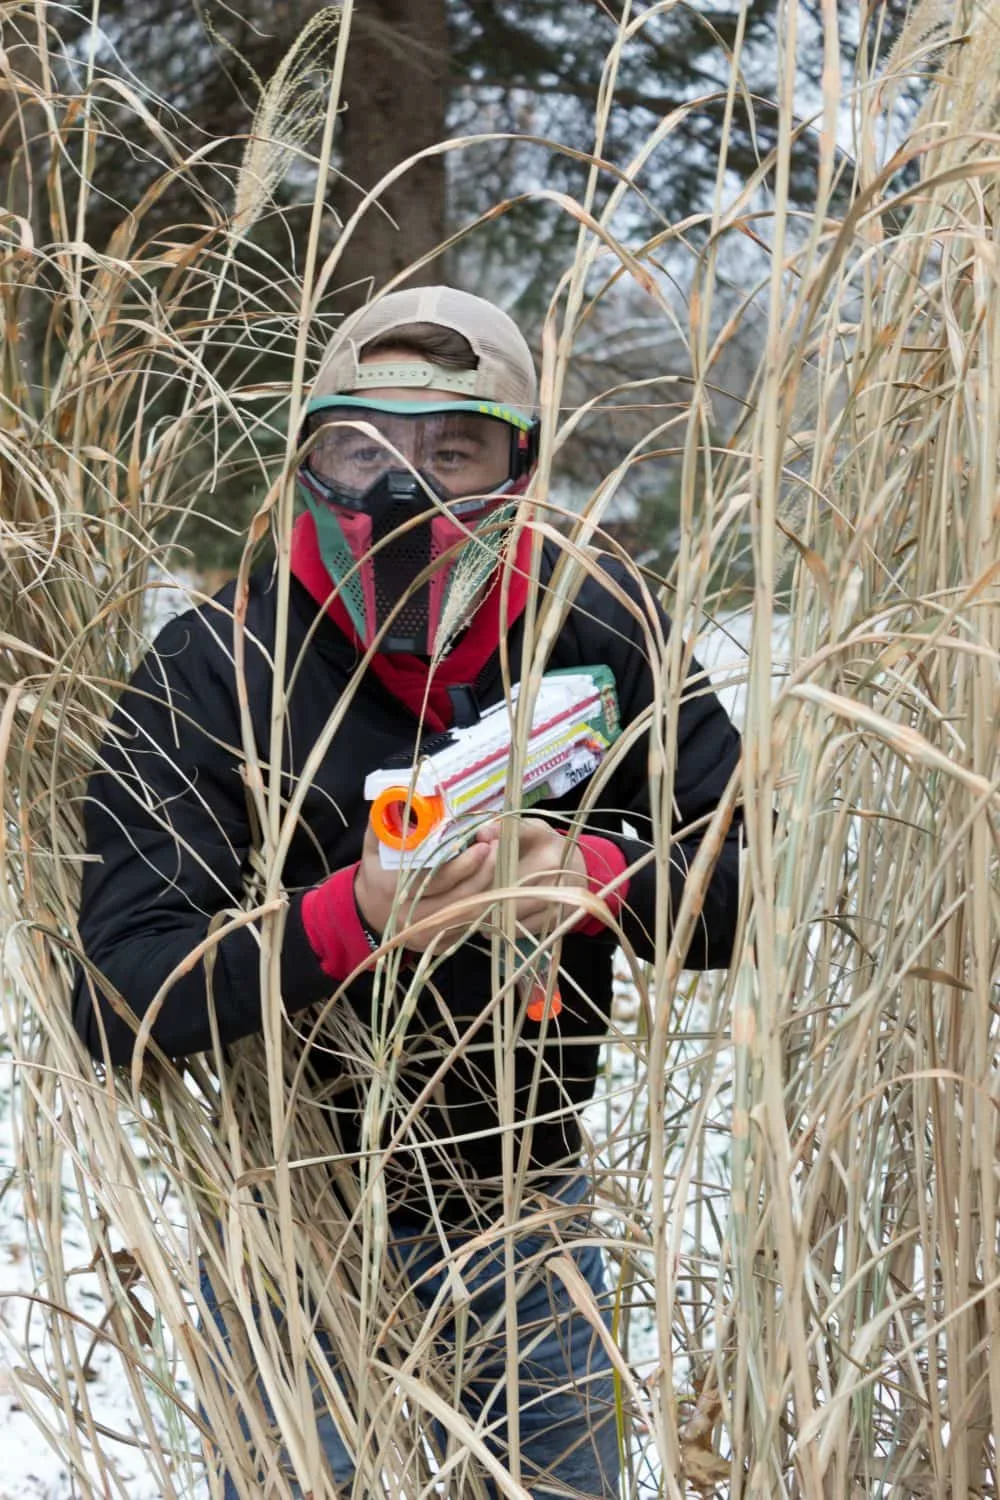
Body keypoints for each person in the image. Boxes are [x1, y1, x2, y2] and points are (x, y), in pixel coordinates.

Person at [73, 285, 742, 1498]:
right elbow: (117, 996)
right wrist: (356, 916)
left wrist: (598, 877)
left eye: (452, 451)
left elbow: (763, 886)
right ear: (309, 455)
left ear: (519, 465)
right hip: (299, 1219)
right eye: (360, 448)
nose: (399, 490)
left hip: (528, 1207)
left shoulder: (601, 624)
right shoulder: (218, 664)